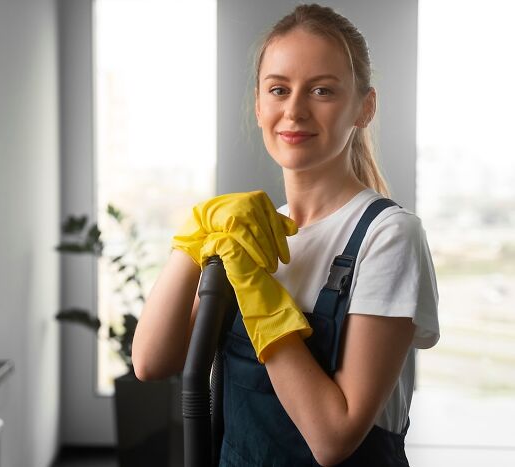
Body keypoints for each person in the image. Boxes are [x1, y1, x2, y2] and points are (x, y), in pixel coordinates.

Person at [132, 3, 439, 466]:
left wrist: (262, 301)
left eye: (322, 90)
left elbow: (333, 438)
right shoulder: (247, 233)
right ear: (258, 106)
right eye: (278, 89)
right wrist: (195, 235)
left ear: (364, 107)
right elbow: (152, 361)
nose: (294, 110)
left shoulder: (388, 237)